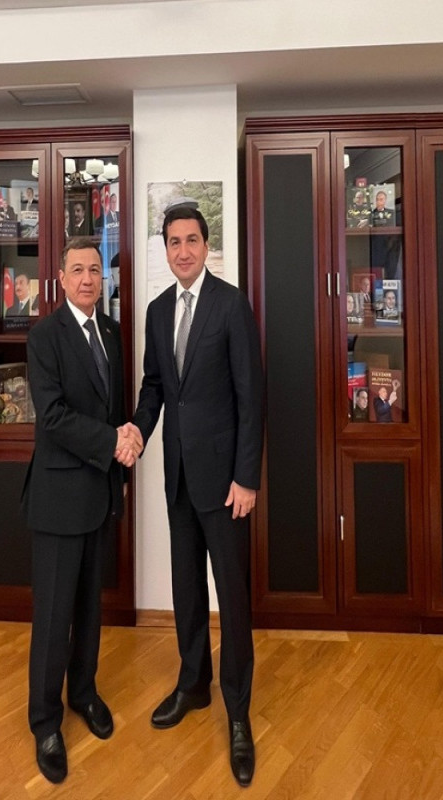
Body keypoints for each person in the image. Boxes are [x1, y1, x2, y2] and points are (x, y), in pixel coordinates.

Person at [130, 205, 264, 788]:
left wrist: (247, 477)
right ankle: (194, 685)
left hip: (227, 484)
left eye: (191, 240)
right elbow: (156, 388)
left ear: (207, 246)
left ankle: (238, 711)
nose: (182, 250)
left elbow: (251, 397)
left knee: (231, 599)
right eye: (173, 242)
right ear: (164, 249)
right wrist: (137, 430)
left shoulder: (231, 305)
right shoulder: (158, 311)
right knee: (186, 589)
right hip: (179, 477)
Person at [22, 237, 139, 785]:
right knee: (53, 617)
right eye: (78, 270)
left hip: (99, 494)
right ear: (62, 279)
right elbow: (52, 416)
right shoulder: (45, 336)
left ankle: (83, 693)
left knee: (90, 609)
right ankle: (45, 721)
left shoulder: (111, 332)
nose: (89, 279)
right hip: (58, 498)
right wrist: (114, 441)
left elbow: (115, 409)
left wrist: (123, 460)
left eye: (95, 270)